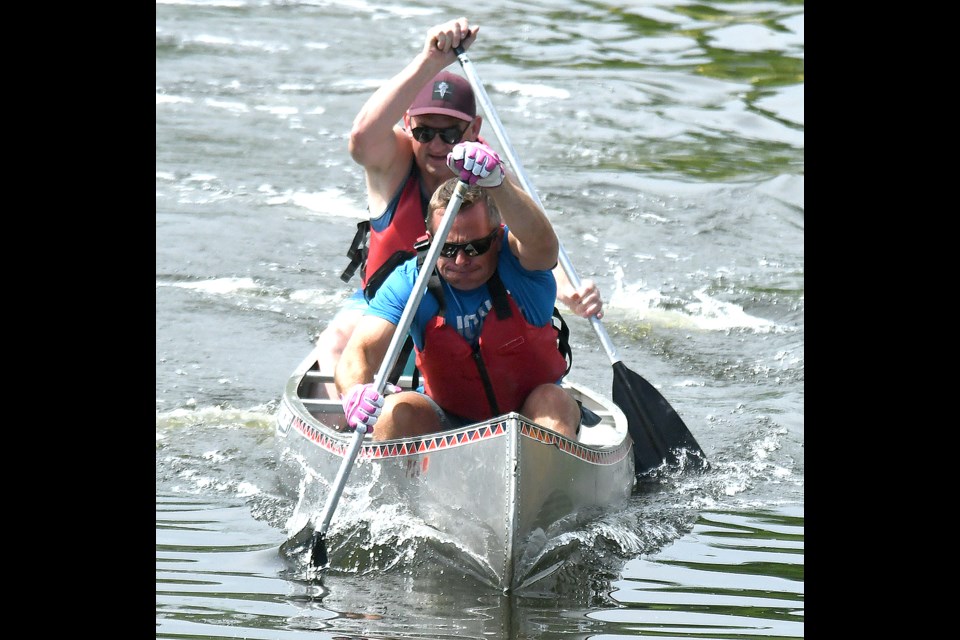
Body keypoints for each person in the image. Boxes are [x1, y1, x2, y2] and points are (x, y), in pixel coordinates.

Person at [315, 17, 602, 395]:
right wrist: (431, 60)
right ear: (408, 123)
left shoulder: (491, 173)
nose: (436, 145)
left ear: (473, 129)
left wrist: (570, 290)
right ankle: (363, 419)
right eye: (425, 131)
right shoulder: (393, 161)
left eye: (450, 133)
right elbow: (361, 137)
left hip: (463, 308)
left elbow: (533, 243)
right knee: (335, 345)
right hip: (392, 303)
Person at [336, 141, 585, 441]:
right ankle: (396, 486)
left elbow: (544, 245)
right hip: (446, 417)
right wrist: (354, 392)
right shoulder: (411, 281)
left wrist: (500, 184)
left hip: (529, 418)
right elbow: (359, 351)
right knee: (393, 412)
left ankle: (547, 482)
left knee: (553, 403)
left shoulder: (522, 265)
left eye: (474, 247)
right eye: (447, 248)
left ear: (497, 237)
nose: (461, 260)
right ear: (430, 241)